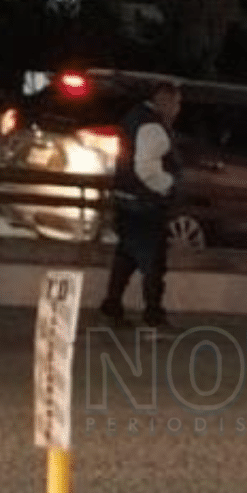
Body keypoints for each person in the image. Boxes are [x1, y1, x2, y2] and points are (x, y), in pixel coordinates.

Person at [97, 80, 184, 329]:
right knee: (153, 262)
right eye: (177, 103)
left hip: (126, 198)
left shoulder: (133, 118)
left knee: (126, 257)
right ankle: (153, 314)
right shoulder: (153, 127)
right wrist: (168, 185)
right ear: (165, 101)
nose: (178, 109)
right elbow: (147, 169)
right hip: (145, 204)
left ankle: (112, 306)